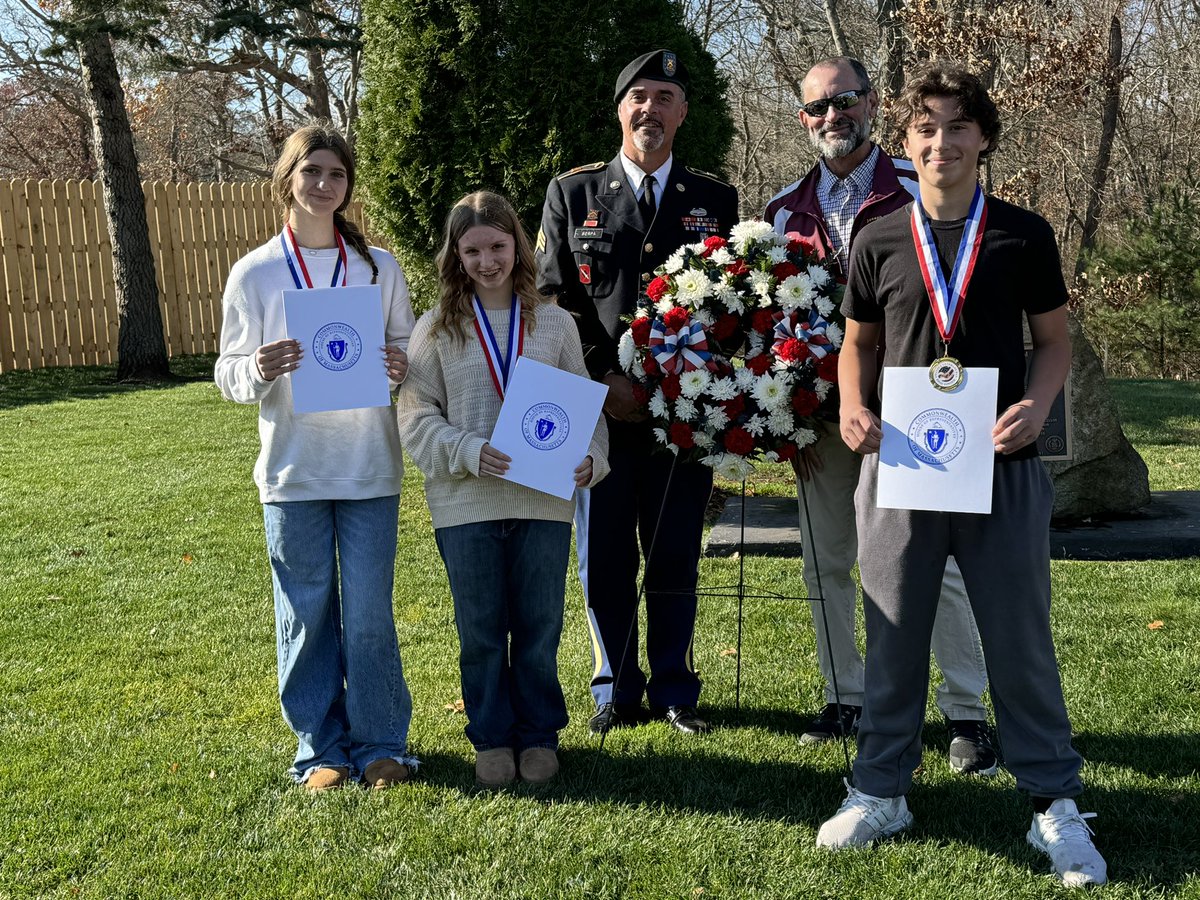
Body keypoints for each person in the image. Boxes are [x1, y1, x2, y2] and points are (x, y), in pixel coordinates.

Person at [820, 62, 1107, 887]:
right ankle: (881, 789)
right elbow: (858, 347)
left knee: (1019, 639)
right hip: (902, 467)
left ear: (983, 138)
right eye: (926, 128)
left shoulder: (1023, 233)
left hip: (1000, 466)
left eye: (956, 126)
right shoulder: (877, 235)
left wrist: (1037, 406)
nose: (940, 141)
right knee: (895, 639)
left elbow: (1051, 343)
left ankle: (1054, 802)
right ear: (906, 141)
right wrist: (850, 405)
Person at [764, 56, 996, 774]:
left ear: (872, 106)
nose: (833, 116)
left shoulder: (916, 185)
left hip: (914, 414)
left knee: (938, 565)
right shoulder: (781, 209)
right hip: (819, 419)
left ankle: (967, 712)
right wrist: (786, 416)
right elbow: (769, 320)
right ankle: (846, 697)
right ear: (803, 121)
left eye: (847, 101)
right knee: (829, 560)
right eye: (817, 108)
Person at [536, 50, 738, 736]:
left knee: (676, 549)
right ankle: (615, 689)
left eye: (665, 97)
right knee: (605, 555)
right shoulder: (573, 194)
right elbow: (551, 300)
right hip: (597, 414)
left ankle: (676, 689)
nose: (650, 109)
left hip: (681, 414)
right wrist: (602, 378)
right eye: (638, 97)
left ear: (683, 112)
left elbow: (725, 307)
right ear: (620, 109)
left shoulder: (714, 200)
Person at [215, 124, 419, 791]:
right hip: (293, 471)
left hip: (368, 468)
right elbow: (227, 371)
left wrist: (397, 364)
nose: (324, 184)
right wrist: (259, 368)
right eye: (312, 172)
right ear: (287, 180)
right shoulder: (256, 272)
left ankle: (382, 743)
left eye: (336, 174)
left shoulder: (378, 268)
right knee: (304, 615)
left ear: (347, 186)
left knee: (366, 616)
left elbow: (405, 354)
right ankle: (319, 751)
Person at [397, 191, 609, 787]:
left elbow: (586, 407)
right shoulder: (435, 329)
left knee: (540, 627)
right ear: (454, 255)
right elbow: (414, 416)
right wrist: (468, 452)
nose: (486, 260)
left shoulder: (555, 322)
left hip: (543, 501)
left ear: (517, 245)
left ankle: (539, 733)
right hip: (465, 503)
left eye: (497, 245)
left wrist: (592, 459)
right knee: (482, 630)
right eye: (472, 250)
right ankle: (491, 735)